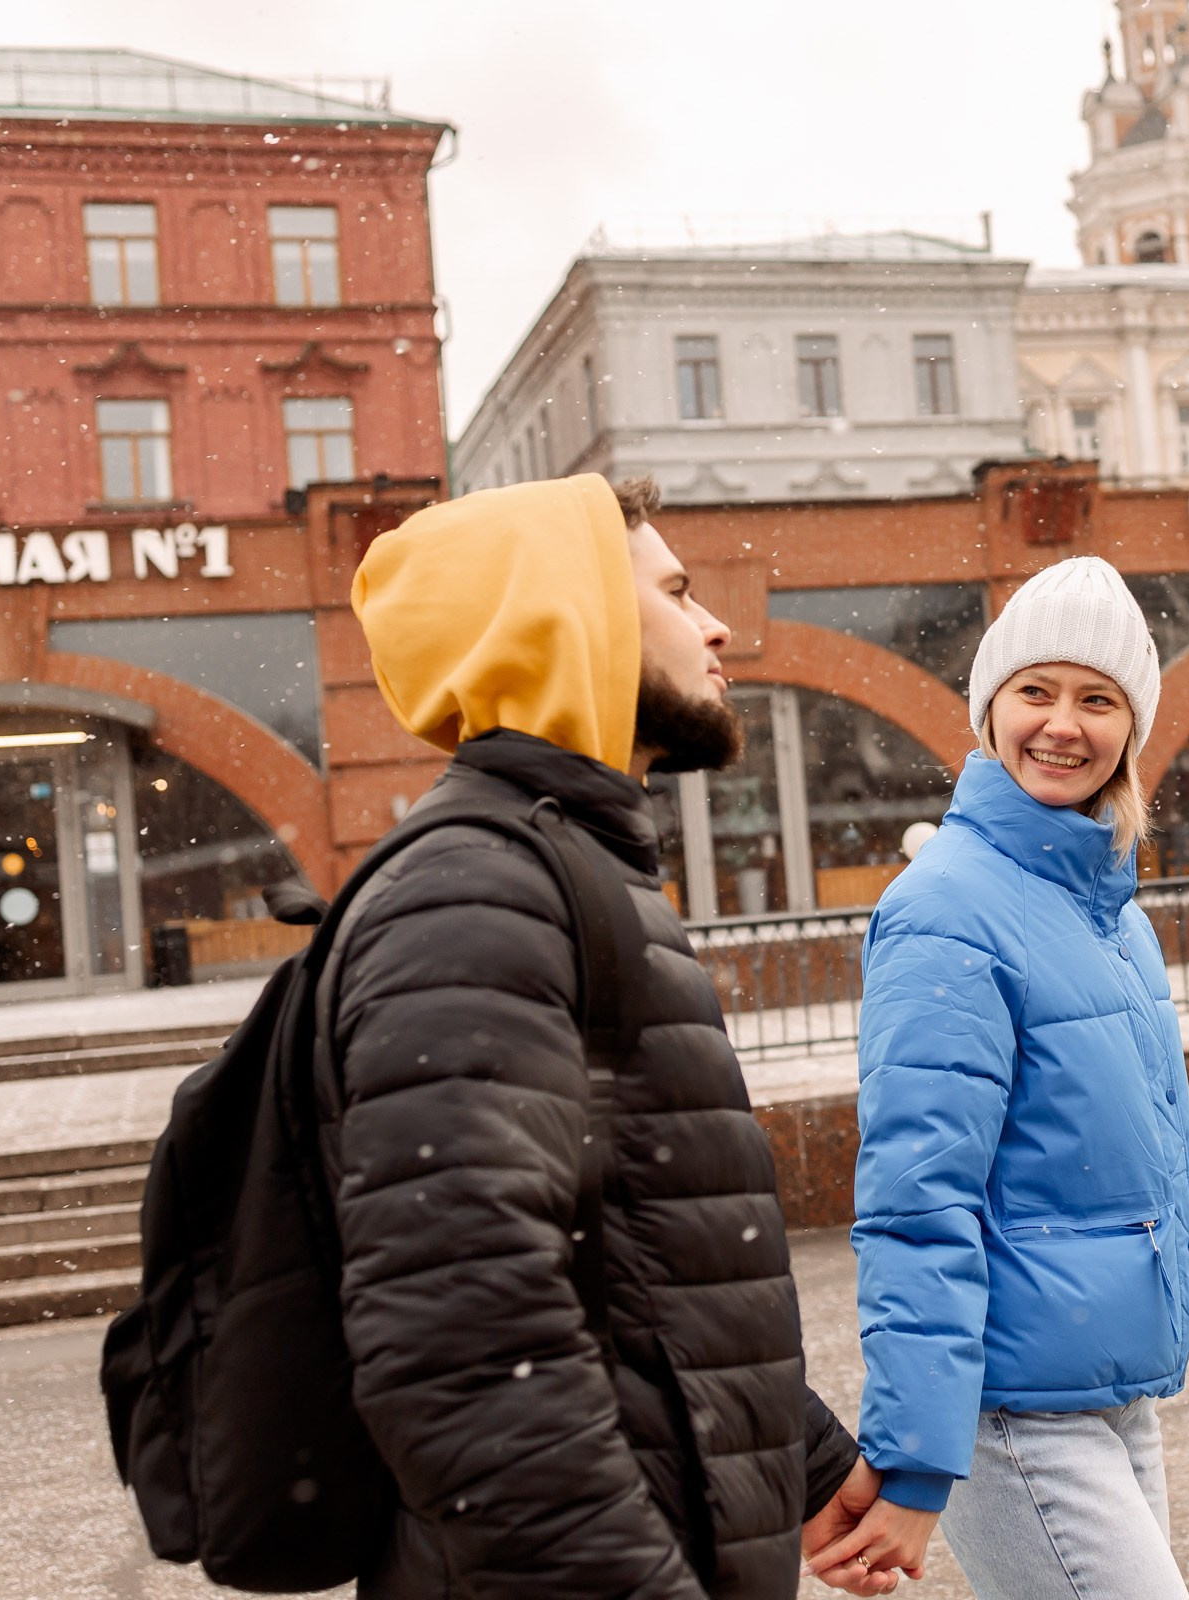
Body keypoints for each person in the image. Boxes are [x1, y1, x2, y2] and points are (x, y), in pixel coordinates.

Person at [335, 473, 892, 1599]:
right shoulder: (478, 898)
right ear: (571, 621)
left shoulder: (559, 872)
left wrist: (800, 1456)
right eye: (677, 594)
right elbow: (463, 1344)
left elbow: (641, 1259)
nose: (716, 623)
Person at [804, 557, 1189, 1597]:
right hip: (1012, 1413)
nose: (1063, 724)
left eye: (1097, 699)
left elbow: (1171, 1165)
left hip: (1107, 1394)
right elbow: (919, 1202)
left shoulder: (1113, 919)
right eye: (1036, 692)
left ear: (1130, 729)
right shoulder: (946, 911)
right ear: (990, 710)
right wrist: (917, 1460)